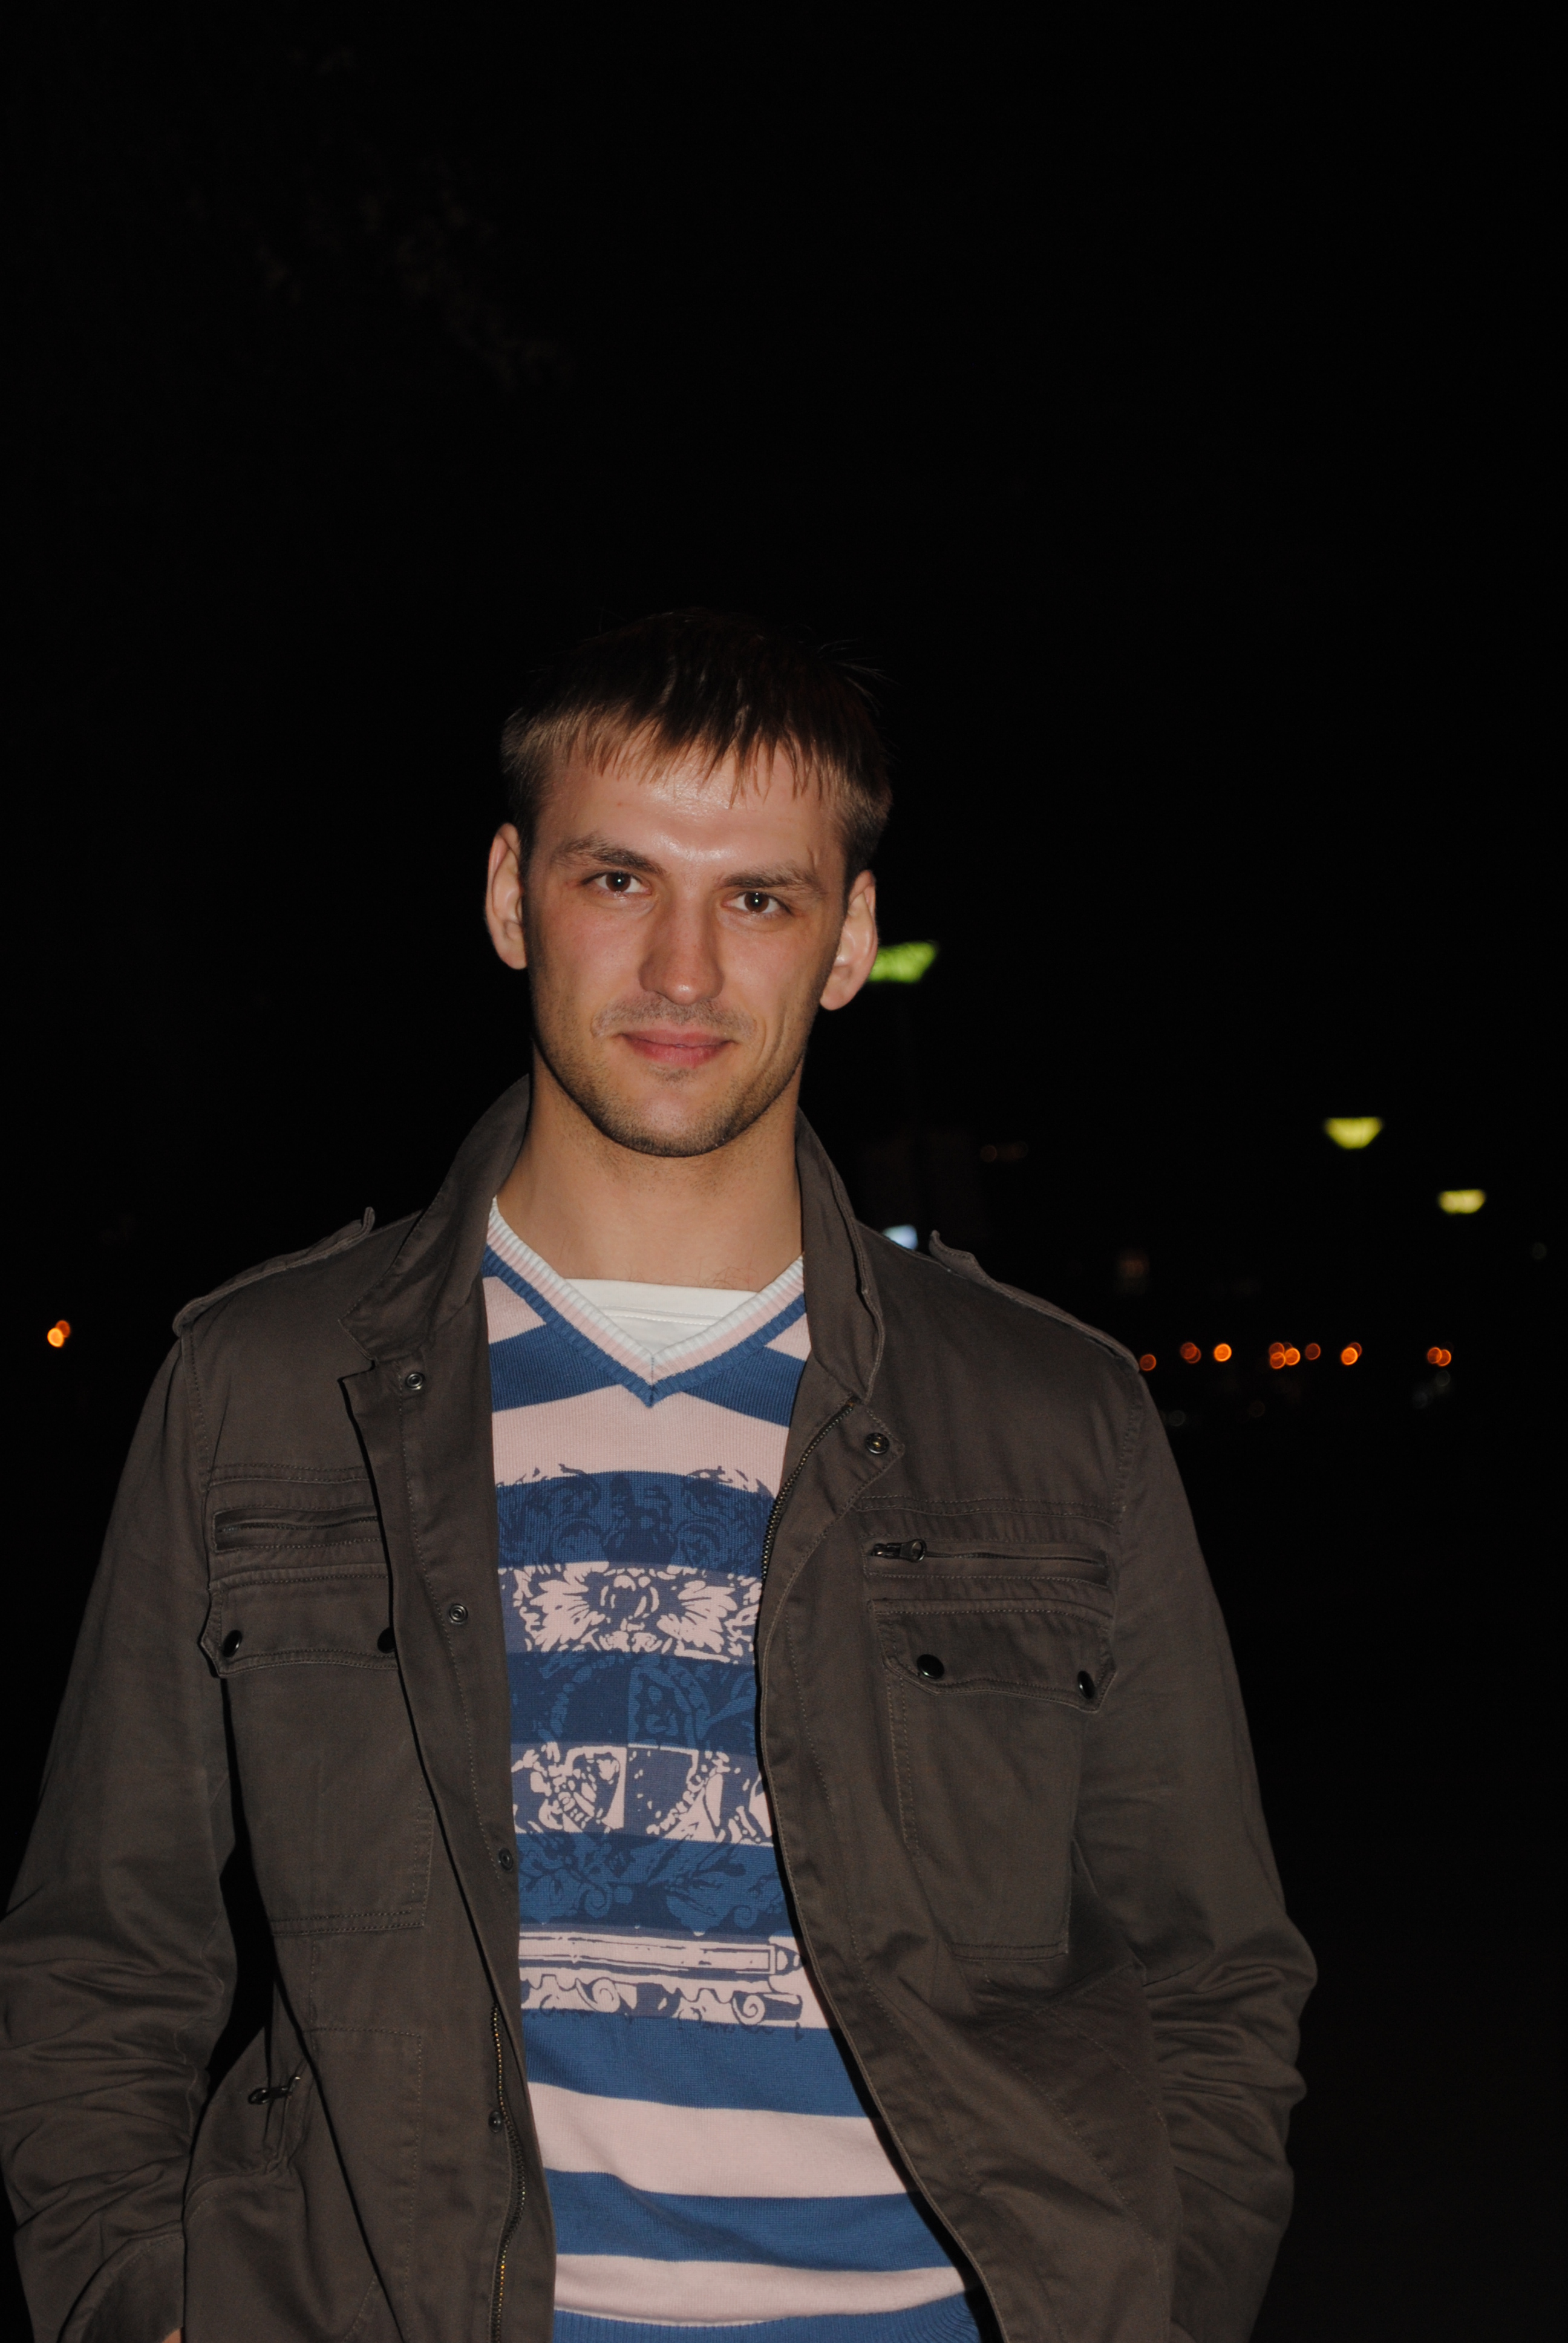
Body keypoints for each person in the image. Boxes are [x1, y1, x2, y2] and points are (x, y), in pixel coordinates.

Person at [0, 610, 1313, 2343]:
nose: (683, 971)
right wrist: (137, 2305)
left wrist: (1159, 2306)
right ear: (509, 896)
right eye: (619, 880)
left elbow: (1213, 1974)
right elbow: (107, 1942)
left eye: (757, 899)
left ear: (849, 940)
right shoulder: (264, 1390)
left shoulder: (1055, 1419)